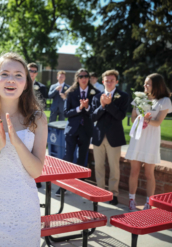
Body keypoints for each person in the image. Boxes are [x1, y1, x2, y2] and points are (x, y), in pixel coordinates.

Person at [0, 52, 47, 247]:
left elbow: (36, 171)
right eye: (4, 74)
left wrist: (17, 142)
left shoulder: (37, 118)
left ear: (26, 83)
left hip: (24, 207)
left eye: (18, 75)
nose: (11, 79)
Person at [126, 73, 172, 211]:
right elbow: (133, 119)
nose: (145, 86)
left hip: (151, 140)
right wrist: (140, 119)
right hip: (137, 139)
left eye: (148, 84)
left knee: (149, 174)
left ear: (157, 85)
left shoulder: (164, 101)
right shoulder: (139, 98)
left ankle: (148, 203)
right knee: (134, 171)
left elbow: (158, 122)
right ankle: (131, 200)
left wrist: (147, 120)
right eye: (145, 83)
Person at [56, 68, 100, 196]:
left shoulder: (95, 93)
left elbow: (95, 114)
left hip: (86, 130)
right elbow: (66, 113)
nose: (84, 78)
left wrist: (87, 107)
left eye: (86, 76)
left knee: (82, 158)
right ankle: (63, 186)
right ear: (77, 78)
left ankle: (80, 186)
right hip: (72, 130)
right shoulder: (70, 92)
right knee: (68, 157)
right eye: (81, 76)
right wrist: (79, 108)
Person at [91, 70, 129, 206]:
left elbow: (120, 116)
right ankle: (100, 192)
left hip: (114, 137)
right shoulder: (96, 97)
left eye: (112, 80)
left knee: (114, 167)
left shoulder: (123, 96)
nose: (109, 82)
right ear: (103, 81)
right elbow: (93, 116)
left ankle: (114, 194)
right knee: (99, 166)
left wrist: (109, 104)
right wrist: (102, 106)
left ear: (117, 82)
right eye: (107, 80)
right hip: (98, 137)